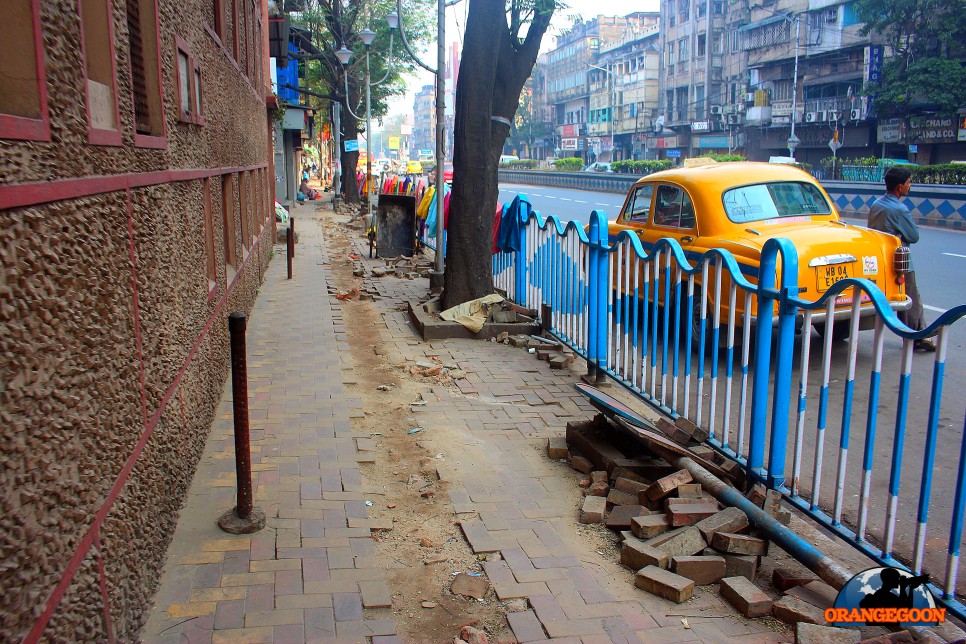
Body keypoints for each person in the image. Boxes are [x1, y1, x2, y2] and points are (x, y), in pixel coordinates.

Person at [867, 167, 935, 351]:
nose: (909, 185)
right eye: (908, 182)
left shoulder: (876, 204)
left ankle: (911, 334)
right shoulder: (899, 209)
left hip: (880, 258)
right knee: (911, 296)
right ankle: (917, 334)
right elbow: (913, 236)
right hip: (900, 260)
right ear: (899, 187)